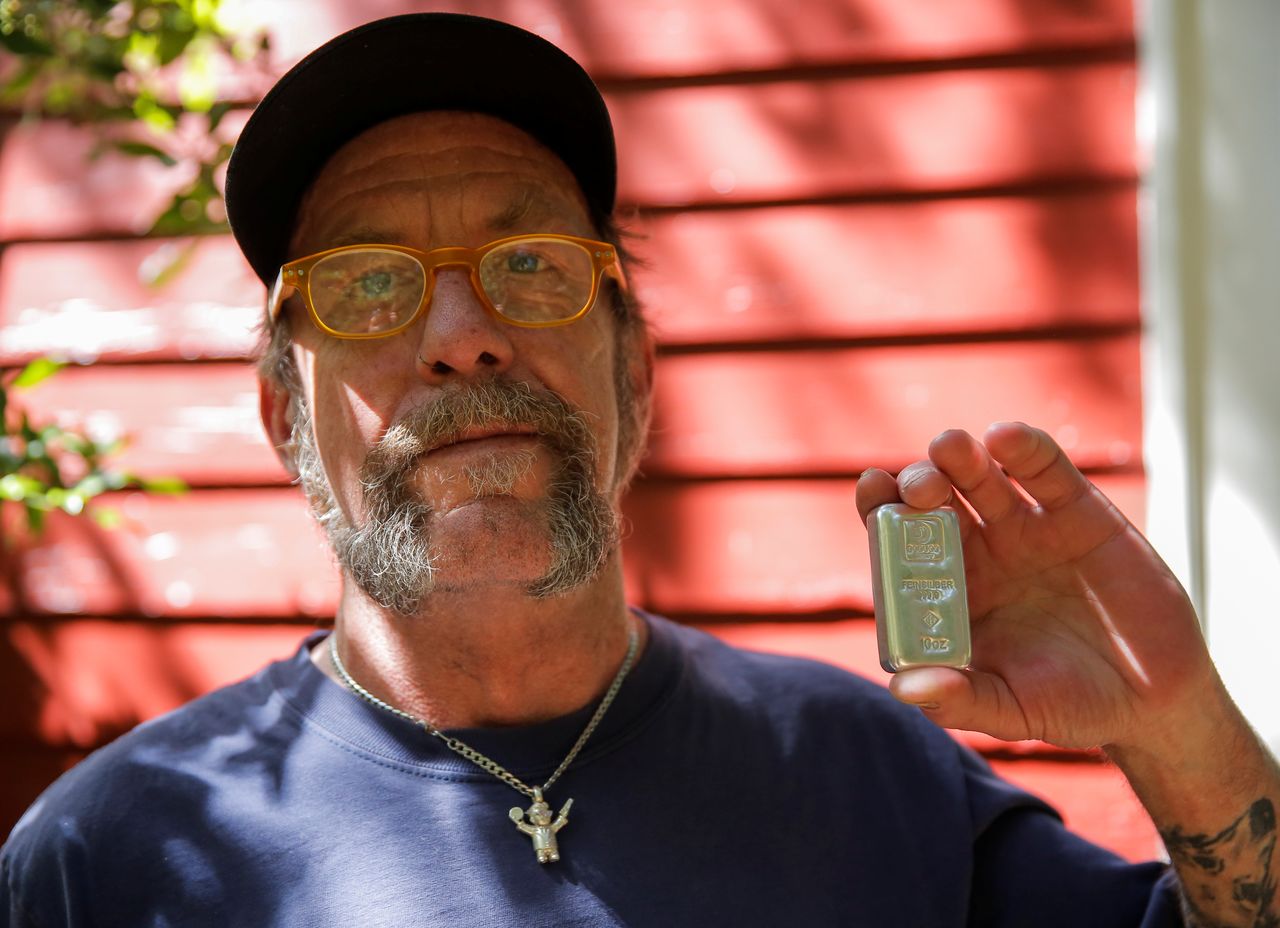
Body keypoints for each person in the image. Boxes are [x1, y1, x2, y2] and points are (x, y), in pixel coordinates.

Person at [2, 12, 1276, 927]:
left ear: (636, 374)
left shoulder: (872, 775)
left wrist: (1180, 727)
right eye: (368, 286)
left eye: (531, 265)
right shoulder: (110, 858)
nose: (462, 336)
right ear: (285, 417)